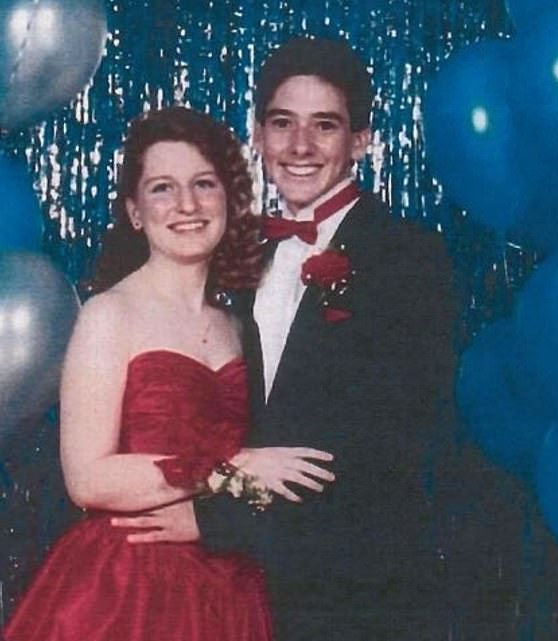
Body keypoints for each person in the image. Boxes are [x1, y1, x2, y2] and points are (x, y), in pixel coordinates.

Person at [114, 38, 459, 640]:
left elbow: (385, 450)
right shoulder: (238, 253)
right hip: (241, 590)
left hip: (354, 594)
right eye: (283, 124)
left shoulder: (409, 258)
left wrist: (210, 519)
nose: (300, 147)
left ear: (361, 141)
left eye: (324, 126)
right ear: (259, 135)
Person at [0, 106, 335, 641]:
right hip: (127, 589)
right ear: (134, 212)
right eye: (162, 188)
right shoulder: (108, 315)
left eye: (203, 183)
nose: (186, 205)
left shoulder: (240, 324)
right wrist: (233, 469)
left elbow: (280, 472)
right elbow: (87, 480)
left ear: (229, 198)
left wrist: (239, 485)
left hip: (231, 585)